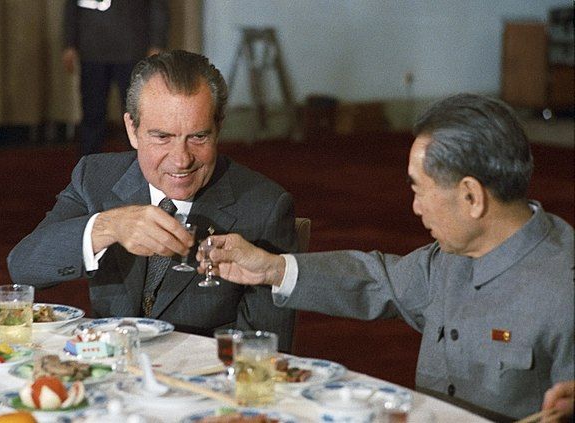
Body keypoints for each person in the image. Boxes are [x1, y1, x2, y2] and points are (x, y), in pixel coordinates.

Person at [198, 94, 574, 421]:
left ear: (471, 197)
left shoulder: (564, 287)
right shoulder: (450, 258)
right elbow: (378, 279)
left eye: (420, 190)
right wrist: (273, 268)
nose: (414, 208)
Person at [7, 50, 298, 351]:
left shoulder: (265, 207)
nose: (181, 159)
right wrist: (107, 227)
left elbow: (265, 354)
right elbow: (24, 266)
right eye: (162, 137)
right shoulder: (96, 177)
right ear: (132, 130)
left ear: (218, 128)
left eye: (198, 137)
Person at [63, 0, 170, 156]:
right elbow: (71, 7)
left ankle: (138, 167)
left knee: (136, 115)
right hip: (92, 50)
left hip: (132, 50)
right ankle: (90, 166)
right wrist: (69, 44)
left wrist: (157, 43)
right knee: (92, 115)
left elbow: (158, 6)